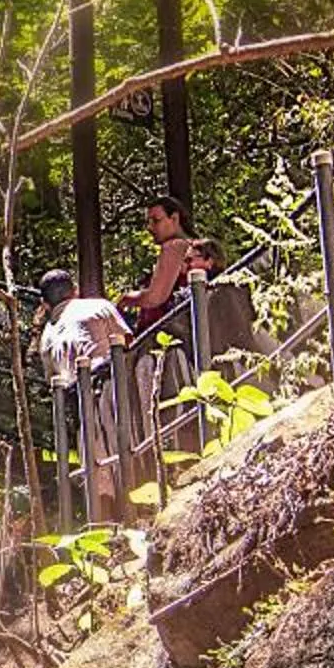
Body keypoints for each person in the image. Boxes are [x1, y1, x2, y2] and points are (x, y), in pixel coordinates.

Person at [36, 265, 136, 514]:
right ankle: (139, 507)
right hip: (113, 387)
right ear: (75, 290)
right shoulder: (97, 306)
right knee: (127, 448)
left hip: (77, 401)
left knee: (95, 466)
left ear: (45, 304)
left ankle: (105, 522)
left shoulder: (46, 337)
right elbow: (127, 343)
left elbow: (52, 378)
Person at [123, 197, 213, 334]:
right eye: (148, 222)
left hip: (168, 336)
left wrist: (125, 300)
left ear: (174, 218)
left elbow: (155, 297)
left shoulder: (174, 246)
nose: (150, 228)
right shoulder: (196, 249)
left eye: (156, 220)